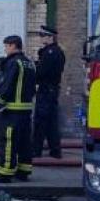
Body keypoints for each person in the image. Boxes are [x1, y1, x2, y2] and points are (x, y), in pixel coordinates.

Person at [0, 35, 36, 183]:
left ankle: (5, 173)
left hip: (12, 110)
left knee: (8, 141)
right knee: (24, 142)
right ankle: (23, 170)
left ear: (13, 45)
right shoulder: (29, 63)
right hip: (26, 109)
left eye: (6, 46)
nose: (5, 49)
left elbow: (6, 84)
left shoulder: (13, 63)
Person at [33, 25, 66, 159]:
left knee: (40, 121)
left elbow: (41, 72)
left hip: (46, 89)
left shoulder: (49, 53)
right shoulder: (58, 51)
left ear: (50, 37)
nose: (41, 38)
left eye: (43, 35)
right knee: (52, 121)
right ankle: (55, 150)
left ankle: (36, 150)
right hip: (53, 89)